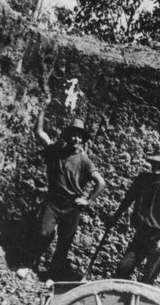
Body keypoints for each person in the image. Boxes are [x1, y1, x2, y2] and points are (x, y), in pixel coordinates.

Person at [17, 111, 106, 279]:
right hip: (53, 202)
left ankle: (53, 275)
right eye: (73, 135)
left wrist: (87, 200)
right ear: (67, 136)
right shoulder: (55, 152)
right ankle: (29, 263)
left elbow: (101, 183)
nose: (76, 139)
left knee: (64, 242)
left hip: (72, 206)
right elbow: (39, 133)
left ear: (82, 140)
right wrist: (41, 111)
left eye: (79, 137)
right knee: (42, 232)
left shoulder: (84, 160)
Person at [109, 143, 160, 284]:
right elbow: (128, 199)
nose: (156, 167)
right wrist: (115, 216)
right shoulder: (142, 180)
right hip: (142, 233)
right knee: (123, 268)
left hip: (159, 235)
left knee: (148, 278)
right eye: (155, 163)